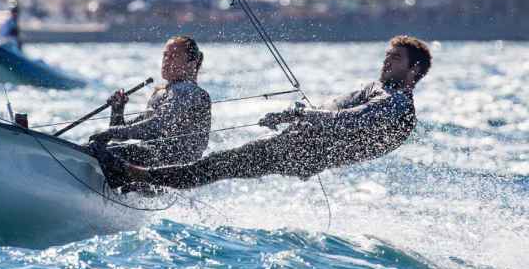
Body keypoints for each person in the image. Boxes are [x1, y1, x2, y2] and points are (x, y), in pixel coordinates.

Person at [94, 35, 432, 190]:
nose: (387, 61)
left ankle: (140, 177)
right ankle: (144, 179)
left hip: (305, 151)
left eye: (396, 58)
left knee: (217, 165)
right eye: (387, 54)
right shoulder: (378, 88)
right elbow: (329, 109)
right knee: (220, 165)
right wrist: (292, 115)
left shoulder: (396, 104)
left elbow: (343, 120)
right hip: (303, 146)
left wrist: (297, 115)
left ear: (414, 71)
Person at [87, 35, 211, 166]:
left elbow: (157, 126)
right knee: (108, 147)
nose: (167, 61)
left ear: (191, 63)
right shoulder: (166, 92)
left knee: (105, 150)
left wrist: (111, 132)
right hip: (153, 163)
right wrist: (118, 109)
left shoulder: (189, 91)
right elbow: (122, 134)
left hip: (172, 170)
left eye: (174, 56)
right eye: (165, 55)